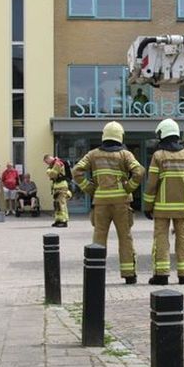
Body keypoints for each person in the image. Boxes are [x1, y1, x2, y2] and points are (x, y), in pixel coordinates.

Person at [73, 121, 145, 284]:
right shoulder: (125, 154)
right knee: (125, 238)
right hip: (122, 203)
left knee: (99, 237)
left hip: (101, 203)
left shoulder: (93, 154)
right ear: (120, 136)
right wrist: (128, 187)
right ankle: (129, 274)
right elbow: (139, 171)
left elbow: (76, 171)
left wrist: (91, 189)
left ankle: (96, 274)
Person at [143, 118, 184, 285]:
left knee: (161, 239)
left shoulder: (158, 156)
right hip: (183, 208)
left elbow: (152, 184)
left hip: (161, 209)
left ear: (163, 133)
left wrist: (147, 206)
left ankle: (161, 275)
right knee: (183, 239)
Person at [44, 154, 71, 227]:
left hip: (61, 185)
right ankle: (58, 220)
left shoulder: (57, 163)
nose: (47, 164)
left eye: (47, 162)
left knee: (61, 204)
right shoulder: (54, 164)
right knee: (57, 205)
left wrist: (48, 170)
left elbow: (53, 174)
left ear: (48, 159)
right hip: (57, 185)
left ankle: (64, 221)